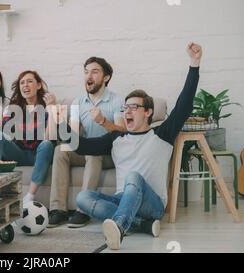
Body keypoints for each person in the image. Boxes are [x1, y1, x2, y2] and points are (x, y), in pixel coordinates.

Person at [72, 42, 202, 250]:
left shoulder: (161, 134)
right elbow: (82, 147)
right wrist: (57, 128)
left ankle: (120, 226)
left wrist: (194, 64)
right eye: (126, 107)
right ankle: (141, 225)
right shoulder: (116, 138)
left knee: (134, 177)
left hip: (153, 204)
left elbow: (184, 105)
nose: (128, 112)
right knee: (83, 197)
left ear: (148, 112)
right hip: (123, 199)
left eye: (134, 107)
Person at [48, 57, 125, 228]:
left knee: (93, 152)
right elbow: (74, 138)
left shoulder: (117, 101)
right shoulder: (78, 102)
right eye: (86, 72)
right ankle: (57, 209)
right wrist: (57, 116)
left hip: (107, 154)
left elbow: (121, 132)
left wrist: (103, 121)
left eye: (95, 72)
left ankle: (83, 209)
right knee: (61, 150)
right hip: (87, 150)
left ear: (106, 77)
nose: (89, 76)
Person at [0, 71, 56, 204]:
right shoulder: (13, 108)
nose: (25, 85)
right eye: (22, 82)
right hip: (18, 154)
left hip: (39, 154)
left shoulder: (48, 105)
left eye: (30, 81)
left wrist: (52, 110)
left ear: (38, 85)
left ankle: (30, 196)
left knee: (47, 144)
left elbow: (51, 138)